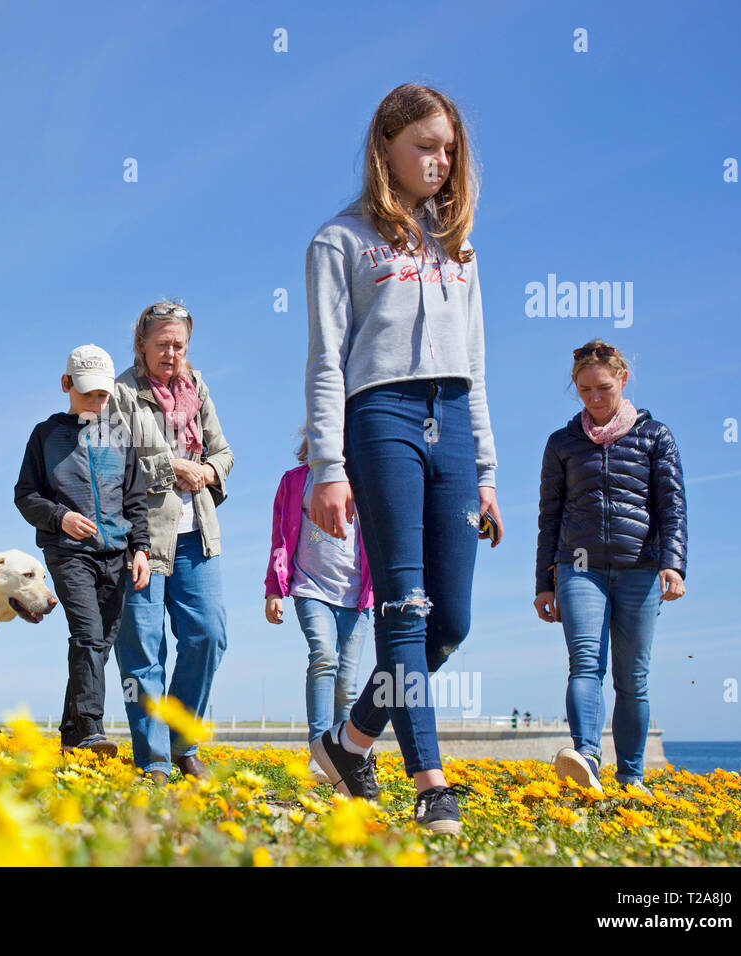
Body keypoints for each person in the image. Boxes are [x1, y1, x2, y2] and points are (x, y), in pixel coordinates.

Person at [304, 85, 502, 834]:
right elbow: (326, 361)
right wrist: (329, 464)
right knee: (404, 610)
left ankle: (350, 741)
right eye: (425, 145)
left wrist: (484, 472)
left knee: (449, 620)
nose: (441, 161)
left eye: (449, 148)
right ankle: (430, 784)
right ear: (385, 147)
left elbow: (477, 366)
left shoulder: (461, 246)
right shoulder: (339, 241)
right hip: (379, 414)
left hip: (452, 420)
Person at [535, 340, 687, 796]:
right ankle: (587, 759)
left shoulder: (655, 436)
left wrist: (673, 565)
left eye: (602, 388)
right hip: (578, 569)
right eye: (584, 390)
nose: (594, 399)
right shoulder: (562, 444)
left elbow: (672, 507)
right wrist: (545, 582)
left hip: (640, 567)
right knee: (584, 662)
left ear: (622, 379)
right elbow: (549, 516)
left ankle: (632, 777)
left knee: (632, 678)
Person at [109, 301, 233, 782]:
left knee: (209, 635)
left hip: (196, 534)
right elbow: (112, 462)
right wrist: (170, 467)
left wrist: (206, 469)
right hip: (139, 537)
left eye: (179, 345)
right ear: (141, 344)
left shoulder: (197, 387)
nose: (172, 353)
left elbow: (223, 451)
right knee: (143, 648)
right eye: (162, 344)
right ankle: (154, 760)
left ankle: (182, 741)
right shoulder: (121, 393)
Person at [15, 345, 151, 756]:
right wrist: (60, 518)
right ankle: (92, 727)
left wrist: (141, 548)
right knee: (88, 635)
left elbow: (136, 499)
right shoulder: (45, 435)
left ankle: (71, 734)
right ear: (66, 384)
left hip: (116, 554)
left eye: (103, 395)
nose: (96, 401)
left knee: (100, 644)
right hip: (68, 552)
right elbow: (25, 496)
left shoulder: (121, 438)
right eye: (88, 392)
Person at [264, 432, 374, 783]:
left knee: (348, 683)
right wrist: (274, 589)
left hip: (357, 596)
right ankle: (319, 749)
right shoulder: (295, 482)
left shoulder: (368, 482)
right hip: (310, 588)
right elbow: (280, 538)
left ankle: (348, 753)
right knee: (324, 656)